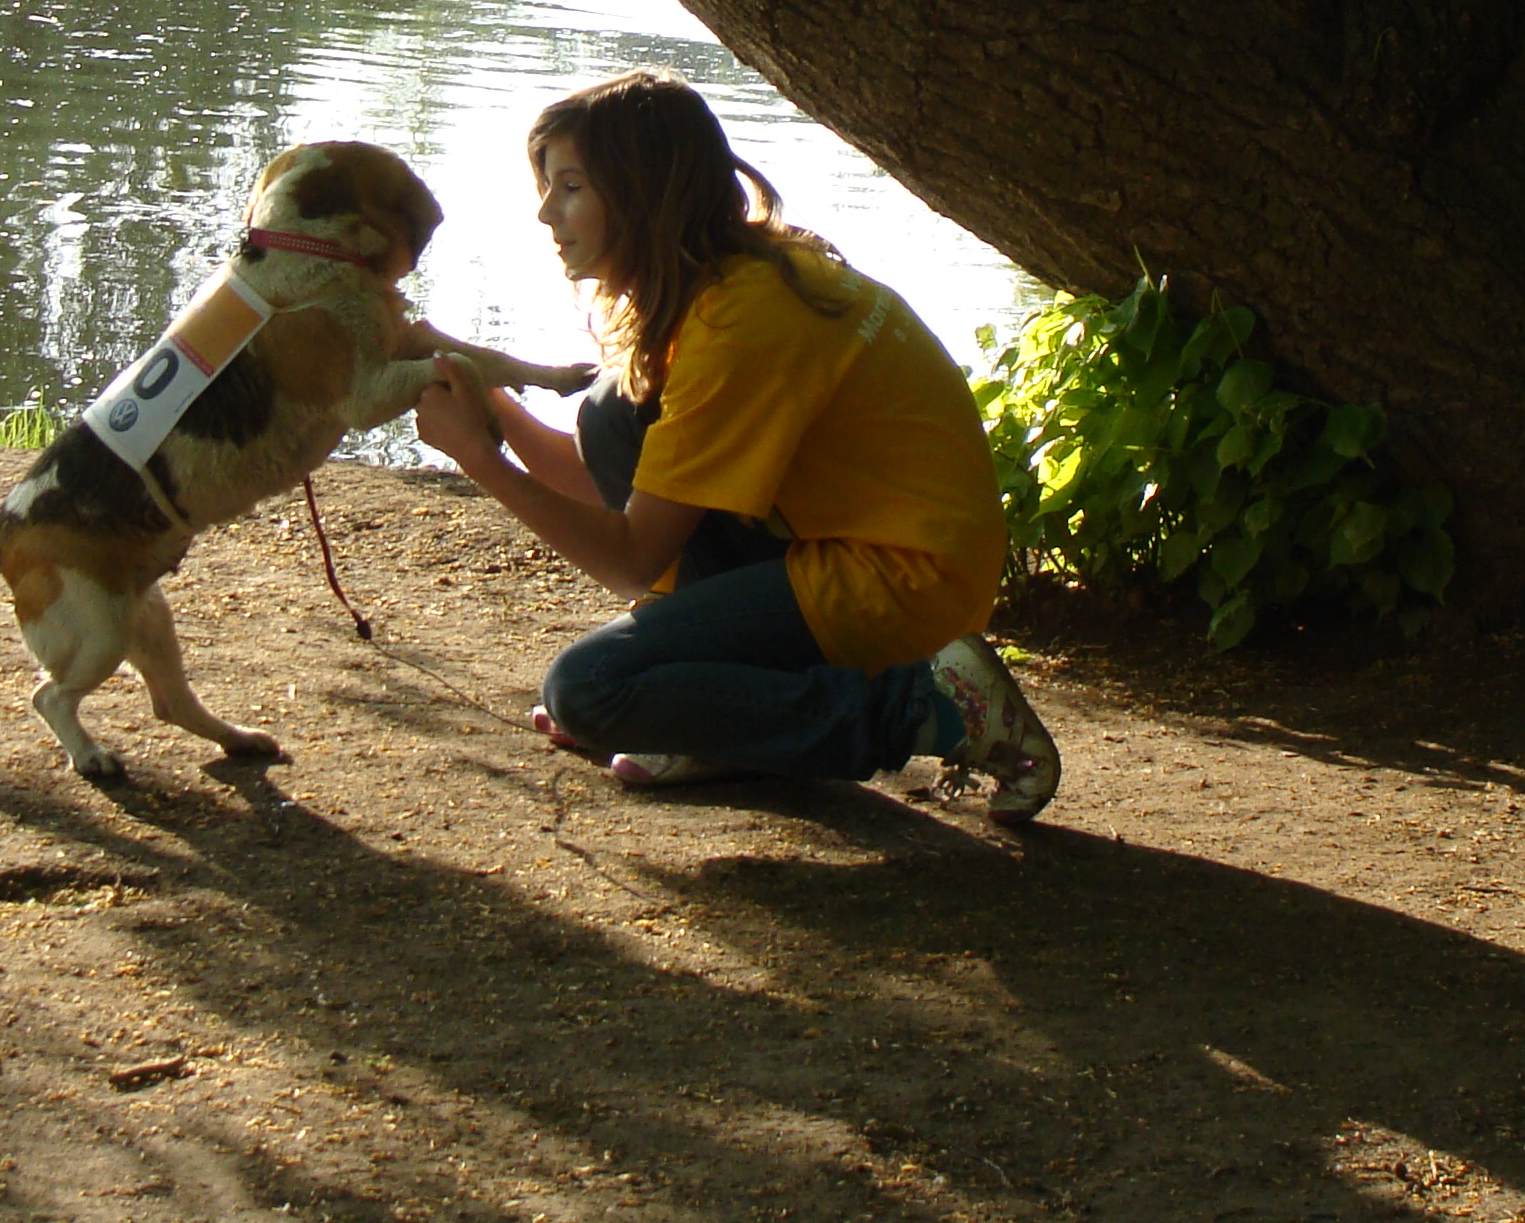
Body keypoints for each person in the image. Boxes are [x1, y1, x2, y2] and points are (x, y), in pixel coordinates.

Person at [412, 70, 1060, 820]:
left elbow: (631, 553)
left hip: (904, 581)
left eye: (571, 186)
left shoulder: (738, 324)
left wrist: (477, 457)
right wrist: (484, 397)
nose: (544, 211)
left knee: (589, 690)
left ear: (643, 190)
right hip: (858, 547)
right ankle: (722, 725)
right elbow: (605, 484)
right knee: (613, 415)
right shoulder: (727, 282)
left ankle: (934, 708)